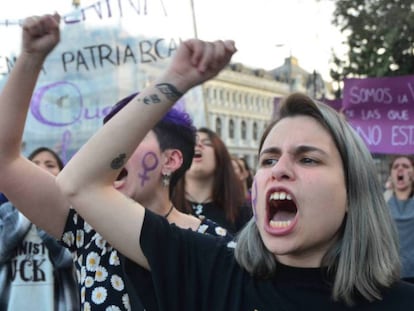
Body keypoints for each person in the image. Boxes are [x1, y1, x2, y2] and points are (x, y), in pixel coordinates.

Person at [54, 33, 414, 309]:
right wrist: (173, 83)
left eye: (307, 159)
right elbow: (78, 182)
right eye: (269, 159)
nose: (280, 170)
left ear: (353, 191)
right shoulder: (211, 268)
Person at [0, 13, 232, 310]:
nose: (109, 155)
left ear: (171, 160)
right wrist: (31, 57)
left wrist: (177, 79)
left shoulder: (218, 243)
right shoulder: (86, 227)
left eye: (129, 137)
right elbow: (5, 161)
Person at [0, 146, 79, 311]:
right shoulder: (6, 212)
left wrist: (44, 208)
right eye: (33, 164)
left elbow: (67, 259)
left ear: (62, 174)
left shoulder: (73, 216)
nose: (41, 169)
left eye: (50, 165)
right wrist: (29, 206)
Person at [172, 127, 252, 234]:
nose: (198, 145)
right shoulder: (165, 205)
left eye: (207, 143)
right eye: (192, 142)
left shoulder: (241, 211)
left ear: (220, 156)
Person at [386, 155, 414, 283]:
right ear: (391, 175)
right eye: (396, 167)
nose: (400, 169)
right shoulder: (382, 202)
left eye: (406, 166)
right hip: (390, 274)